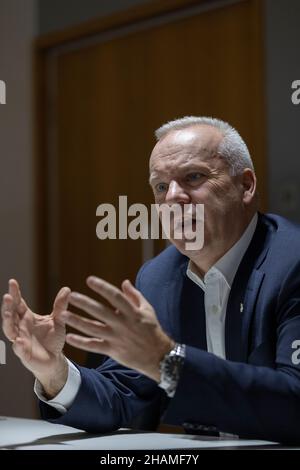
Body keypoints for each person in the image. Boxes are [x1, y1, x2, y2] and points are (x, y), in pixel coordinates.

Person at [2, 116, 300, 444]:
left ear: (245, 186)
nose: (173, 197)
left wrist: (167, 361)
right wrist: (54, 372)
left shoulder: (292, 263)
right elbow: (125, 397)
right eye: (160, 186)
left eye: (193, 177)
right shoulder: (159, 277)